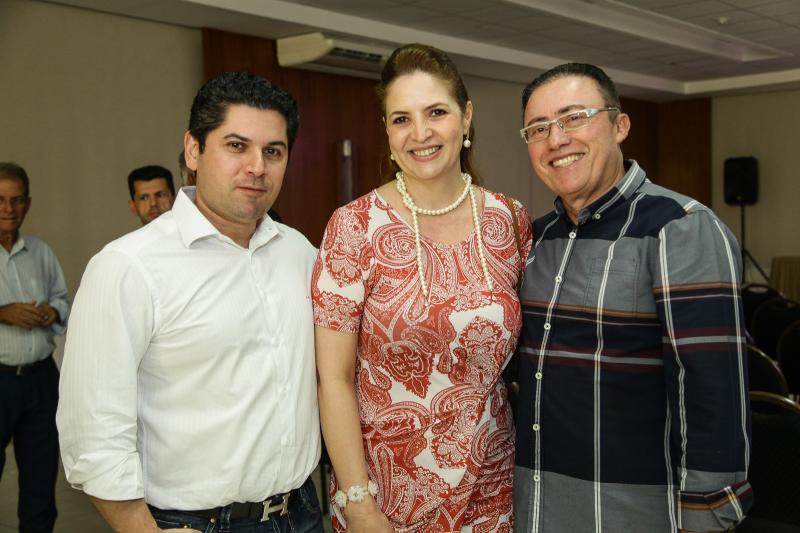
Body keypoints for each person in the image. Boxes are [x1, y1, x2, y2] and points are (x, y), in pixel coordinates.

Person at [57, 72, 324, 533]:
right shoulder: (128, 267)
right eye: (236, 146)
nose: (257, 167)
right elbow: (93, 430)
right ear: (193, 150)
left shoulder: (300, 253)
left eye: (273, 151)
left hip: (301, 513)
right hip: (194, 523)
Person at [513, 63, 751, 533]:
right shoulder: (534, 239)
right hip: (534, 505)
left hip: (636, 513)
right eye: (538, 128)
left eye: (573, 117)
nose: (556, 139)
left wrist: (706, 516)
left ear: (620, 125)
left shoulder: (680, 228)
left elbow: (712, 393)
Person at [313, 43, 532, 533]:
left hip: (494, 493)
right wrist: (359, 504)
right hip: (386, 501)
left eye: (436, 112)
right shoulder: (354, 228)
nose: (421, 133)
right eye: (401, 119)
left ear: (466, 117)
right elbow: (335, 379)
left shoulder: (509, 220)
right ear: (387, 131)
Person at [0, 162, 69, 533]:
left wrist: (51, 311)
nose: (8, 208)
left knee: (41, 482)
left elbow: (63, 301)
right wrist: (2, 313)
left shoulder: (41, 252)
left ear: (27, 203)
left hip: (42, 379)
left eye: (16, 200)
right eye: (0, 200)